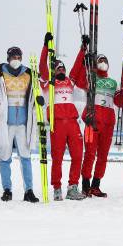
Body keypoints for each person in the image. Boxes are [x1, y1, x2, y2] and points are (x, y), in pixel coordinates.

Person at [0, 46, 39, 203]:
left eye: (18, 57)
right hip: (6, 122)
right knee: (5, 157)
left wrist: (40, 100)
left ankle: (28, 190)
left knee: (26, 157)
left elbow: (37, 92)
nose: (16, 59)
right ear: (8, 58)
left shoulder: (29, 73)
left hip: (23, 123)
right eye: (13, 57)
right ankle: (7, 189)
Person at [39, 34, 86, 201]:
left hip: (72, 122)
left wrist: (83, 48)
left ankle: (73, 187)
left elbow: (77, 66)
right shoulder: (47, 83)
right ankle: (57, 187)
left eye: (62, 69)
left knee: (78, 154)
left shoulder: (70, 81)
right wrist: (46, 46)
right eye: (58, 68)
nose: (61, 71)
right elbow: (42, 66)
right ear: (53, 70)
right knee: (57, 156)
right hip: (57, 123)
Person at [73, 47, 123, 197]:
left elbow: (120, 102)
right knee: (89, 154)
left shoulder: (113, 82)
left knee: (103, 156)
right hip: (93, 121)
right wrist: (85, 62)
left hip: (108, 124)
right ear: (96, 64)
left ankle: (96, 185)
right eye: (100, 61)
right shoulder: (91, 78)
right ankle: (85, 185)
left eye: (105, 61)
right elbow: (78, 80)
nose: (103, 63)